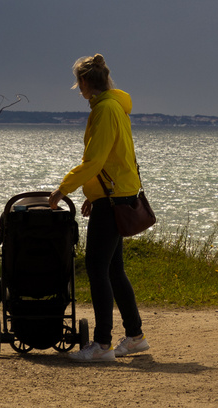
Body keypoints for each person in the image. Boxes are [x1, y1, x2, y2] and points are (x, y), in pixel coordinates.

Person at [49, 53, 147, 363]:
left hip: (114, 198)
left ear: (83, 83)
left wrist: (62, 188)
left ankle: (102, 345)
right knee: (114, 270)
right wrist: (94, 192)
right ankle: (135, 337)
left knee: (97, 268)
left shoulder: (105, 110)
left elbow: (94, 160)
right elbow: (116, 158)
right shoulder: (116, 106)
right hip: (116, 194)